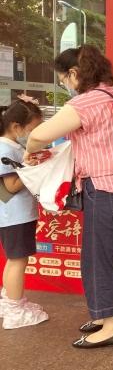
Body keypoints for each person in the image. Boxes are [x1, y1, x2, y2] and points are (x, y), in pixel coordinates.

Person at [23, 48, 113, 347]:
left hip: (105, 189)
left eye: (63, 78)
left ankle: (111, 326)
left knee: (99, 258)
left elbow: (38, 135)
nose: (65, 83)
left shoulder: (84, 102)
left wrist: (29, 152)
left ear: (74, 74)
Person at [0, 98, 48, 330]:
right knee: (18, 260)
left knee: (15, 259)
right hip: (14, 214)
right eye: (32, 129)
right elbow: (11, 186)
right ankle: (15, 310)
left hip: (15, 214)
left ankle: (10, 302)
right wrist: (33, 168)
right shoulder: (5, 149)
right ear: (16, 126)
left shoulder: (11, 146)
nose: (33, 134)